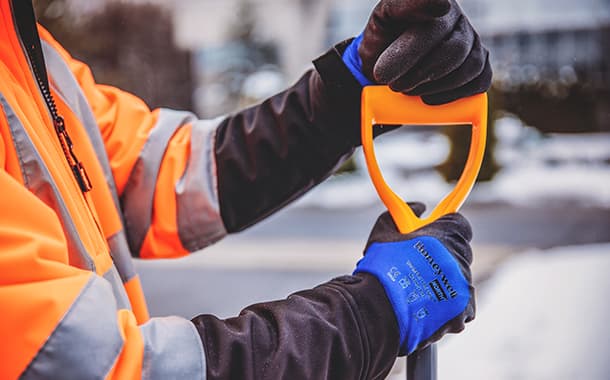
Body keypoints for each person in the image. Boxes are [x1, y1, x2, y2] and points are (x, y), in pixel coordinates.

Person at [0, 0, 490, 378]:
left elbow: (162, 172)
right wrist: (368, 316)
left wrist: (345, 94)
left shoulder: (20, 47)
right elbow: (96, 368)